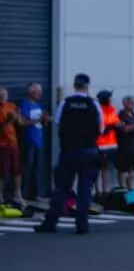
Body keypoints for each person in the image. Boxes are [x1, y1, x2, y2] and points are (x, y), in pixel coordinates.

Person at [35, 74, 104, 235]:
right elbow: (101, 128)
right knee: (85, 188)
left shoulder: (66, 102)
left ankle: (51, 222)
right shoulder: (93, 103)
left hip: (69, 151)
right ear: (87, 86)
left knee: (61, 188)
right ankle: (82, 225)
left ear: (74, 86)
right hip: (89, 151)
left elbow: (58, 122)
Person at [19, 82, 50, 201]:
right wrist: (39, 119)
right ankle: (23, 194)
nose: (40, 94)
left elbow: (44, 123)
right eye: (38, 92)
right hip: (29, 141)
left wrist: (46, 119)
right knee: (28, 168)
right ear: (31, 92)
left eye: (40, 92)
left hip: (39, 141)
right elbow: (22, 122)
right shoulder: (24, 105)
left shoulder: (39, 105)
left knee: (38, 168)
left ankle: (36, 194)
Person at [114, 96, 134, 191]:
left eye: (133, 102)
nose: (132, 104)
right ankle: (122, 190)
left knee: (132, 171)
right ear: (124, 104)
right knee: (123, 171)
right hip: (125, 148)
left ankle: (130, 191)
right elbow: (124, 129)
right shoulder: (121, 115)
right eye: (130, 102)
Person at [0, 87, 20, 208]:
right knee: (1, 172)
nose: (2, 97)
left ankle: (17, 194)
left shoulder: (11, 106)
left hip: (13, 143)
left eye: (4, 95)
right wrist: (8, 120)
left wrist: (18, 117)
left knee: (17, 171)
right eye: (0, 95)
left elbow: (20, 122)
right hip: (2, 145)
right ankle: (1, 196)